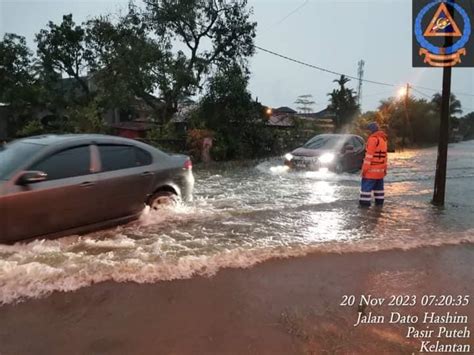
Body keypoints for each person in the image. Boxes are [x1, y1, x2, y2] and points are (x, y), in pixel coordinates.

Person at [359, 122, 388, 207]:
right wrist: (385, 169)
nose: (367, 132)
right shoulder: (383, 139)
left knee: (365, 190)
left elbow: (368, 157)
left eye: (368, 131)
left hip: (371, 171)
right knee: (379, 190)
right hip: (380, 171)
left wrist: (364, 170)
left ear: (371, 130)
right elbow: (385, 156)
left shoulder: (373, 139)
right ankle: (379, 206)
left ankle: (364, 208)